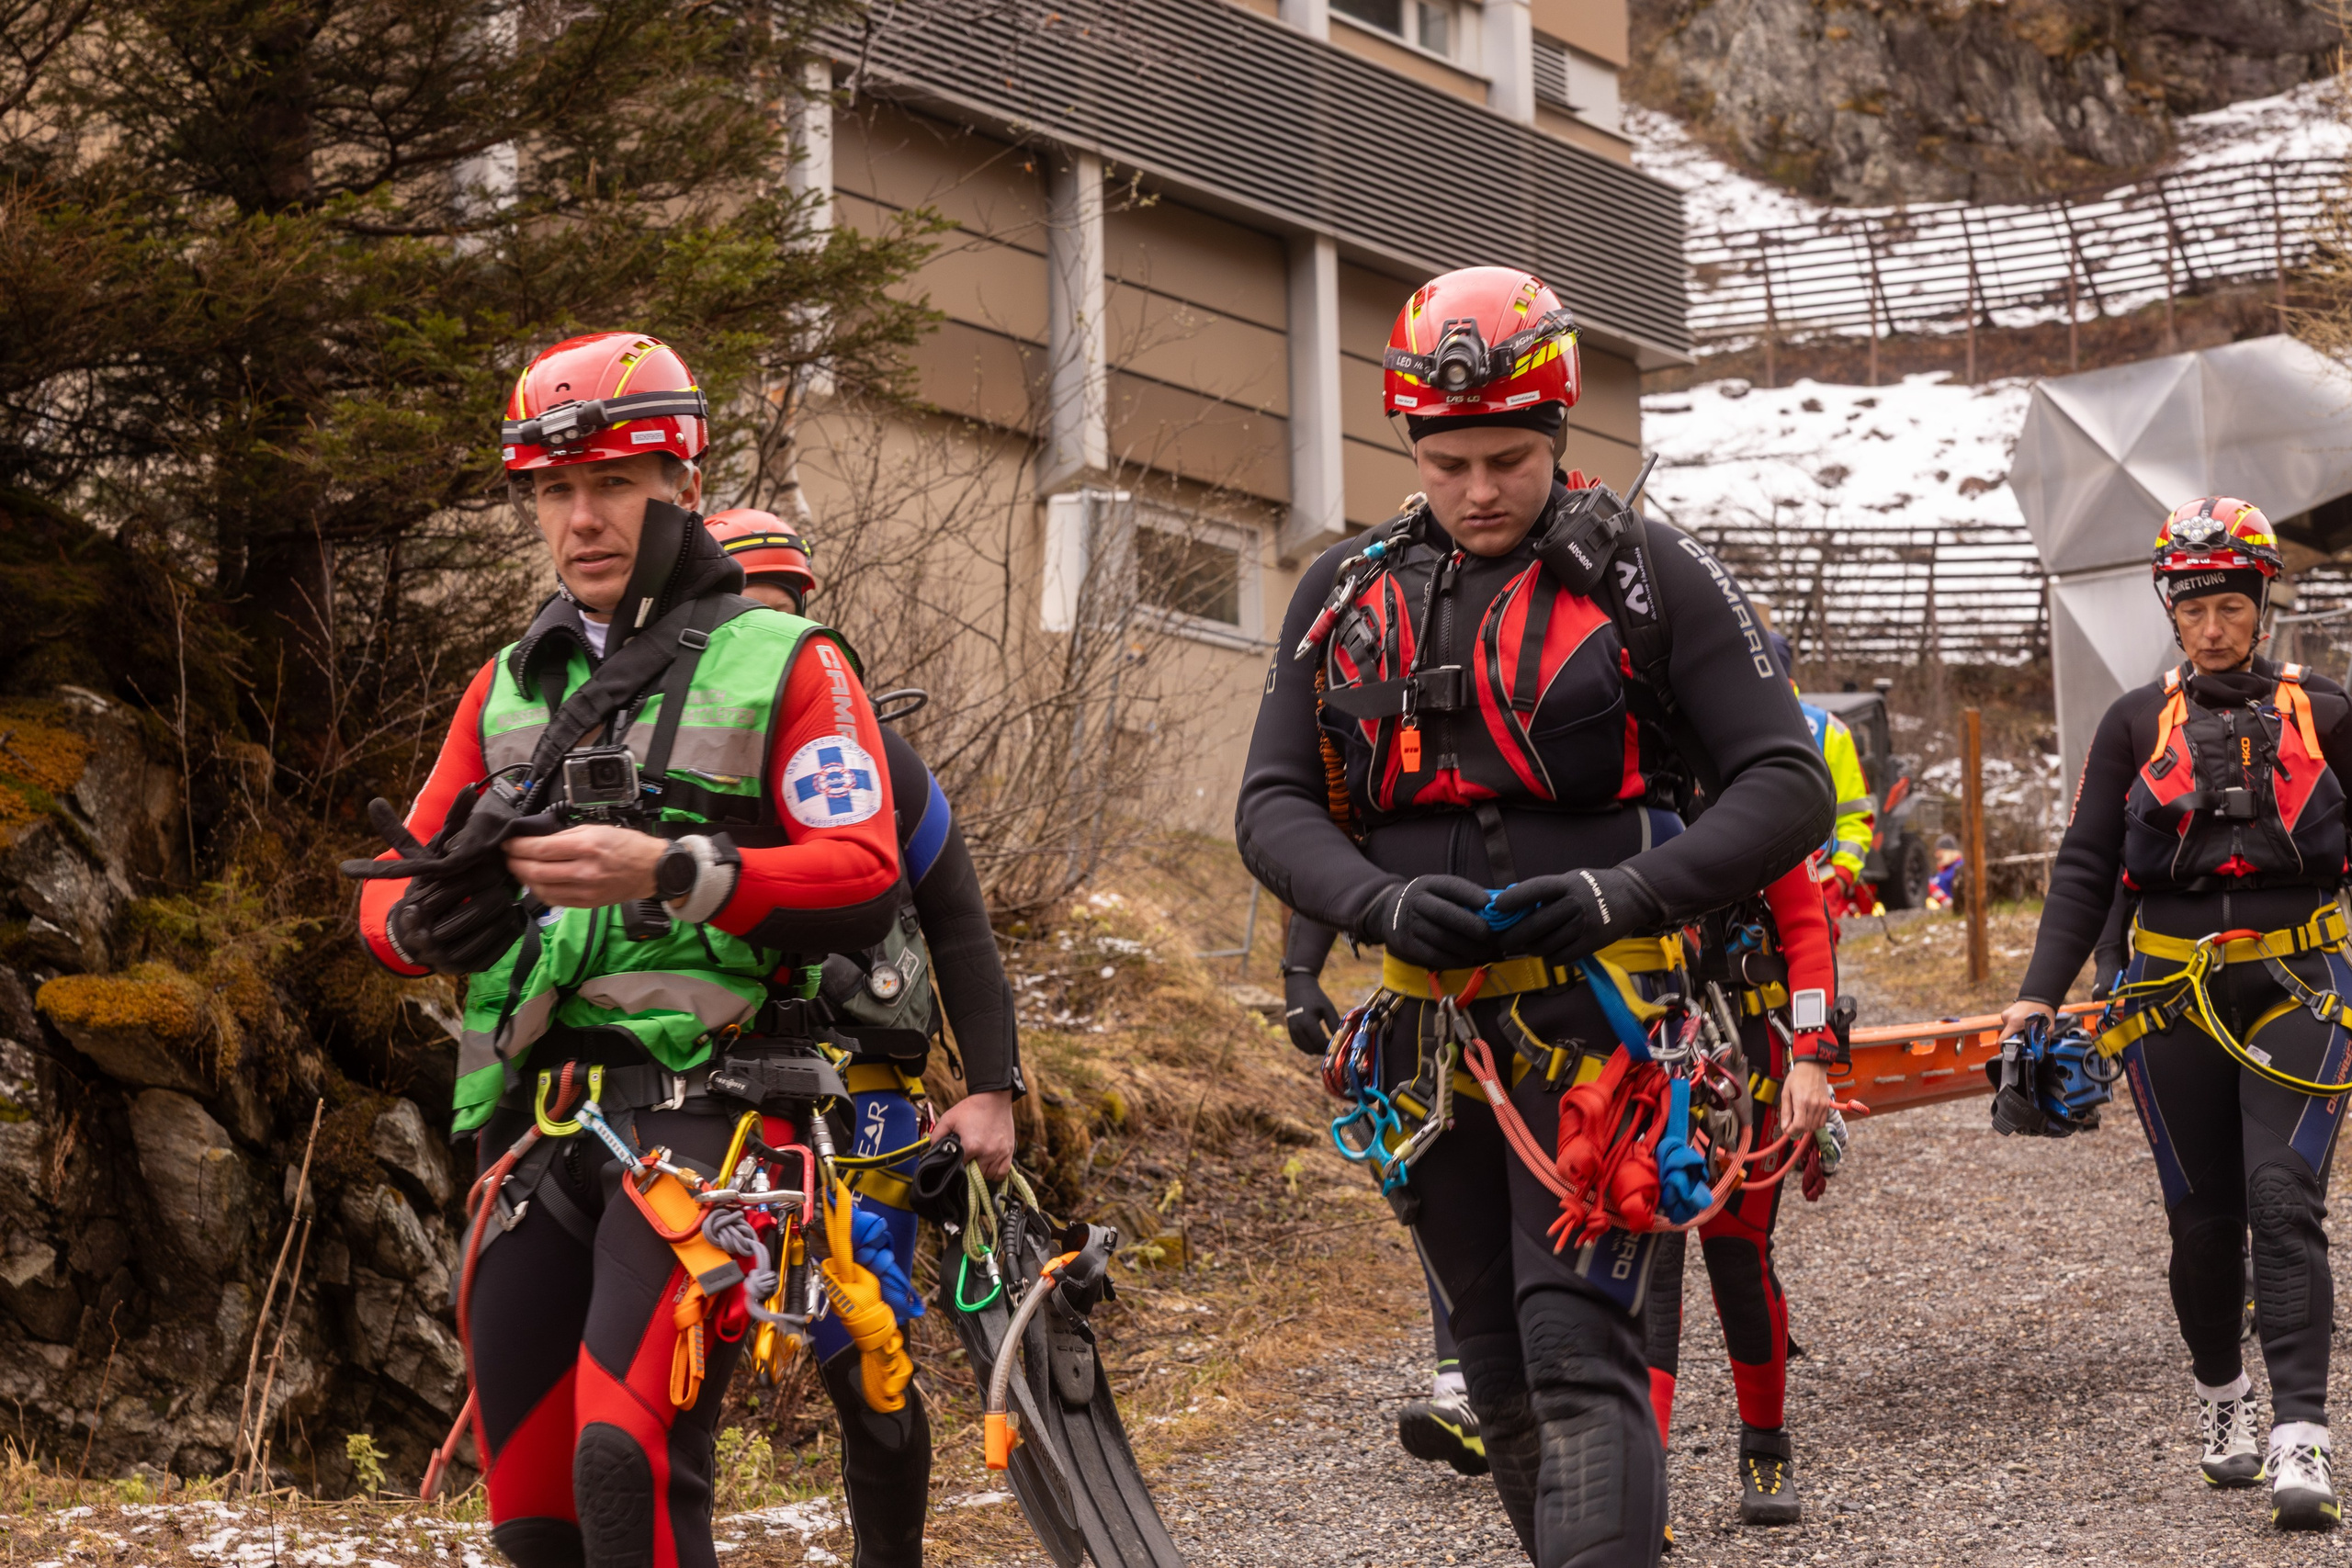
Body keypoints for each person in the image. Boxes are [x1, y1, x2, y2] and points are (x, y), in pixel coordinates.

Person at [1237, 265, 1834, 1567]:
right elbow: (1273, 802)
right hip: (1430, 1038)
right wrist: (1378, 898)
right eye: (1447, 462)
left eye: (1509, 458)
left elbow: (1789, 785)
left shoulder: (1650, 576)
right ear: (1411, 445)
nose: (1479, 490)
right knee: (1497, 1375)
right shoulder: (1344, 591)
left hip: (1603, 1023)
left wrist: (1626, 891)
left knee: (1578, 1356)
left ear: (1559, 436)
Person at [354, 333, 904, 1568]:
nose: (581, 518)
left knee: (626, 1460)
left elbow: (865, 871)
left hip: (712, 1115)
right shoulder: (505, 684)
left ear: (684, 485)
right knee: (534, 1507)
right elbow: (386, 902)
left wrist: (678, 870)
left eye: (615, 484)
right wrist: (431, 924)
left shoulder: (790, 662)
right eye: (555, 491)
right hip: (539, 1130)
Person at [2000, 495, 2352, 1532]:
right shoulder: (2126, 723)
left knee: (2285, 1201)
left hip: (2300, 987)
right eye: (2193, 603)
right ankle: (2221, 1402)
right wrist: (2035, 994)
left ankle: (2303, 1432)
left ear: (2260, 602)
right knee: (2205, 1227)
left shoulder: (2326, 714)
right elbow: (2081, 870)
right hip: (2165, 997)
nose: (2212, 625)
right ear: (2169, 604)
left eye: (2231, 603)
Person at [703, 508, 1025, 1568]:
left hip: (867, 1102)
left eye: (780, 615)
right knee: (678, 1347)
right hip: (704, 1092)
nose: (764, 639)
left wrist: (993, 1088)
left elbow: (960, 926)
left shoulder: (876, 761)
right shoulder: (661, 758)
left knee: (865, 1347)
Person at [1641, 858, 1843, 1529]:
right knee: (1651, 1264)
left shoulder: (1755, 779)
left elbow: (1808, 930)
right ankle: (1643, 1478)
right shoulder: (1620, 772)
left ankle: (1766, 1441)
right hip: (1646, 1045)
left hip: (1746, 1046)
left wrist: (1812, 1056)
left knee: (1737, 1254)